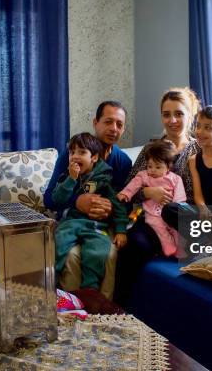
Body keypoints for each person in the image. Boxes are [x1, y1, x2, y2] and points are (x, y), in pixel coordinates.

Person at [114, 87, 212, 305]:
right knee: (134, 245)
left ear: (190, 117)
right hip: (152, 220)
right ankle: (119, 309)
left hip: (186, 218)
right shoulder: (152, 149)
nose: (172, 120)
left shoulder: (201, 145)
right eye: (166, 114)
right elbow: (129, 189)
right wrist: (147, 192)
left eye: (179, 114)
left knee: (180, 215)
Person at [44, 101, 132, 298]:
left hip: (100, 225)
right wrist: (77, 201)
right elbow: (49, 199)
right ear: (96, 123)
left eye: (119, 124)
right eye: (108, 122)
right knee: (71, 256)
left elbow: (125, 204)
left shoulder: (123, 162)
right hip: (71, 220)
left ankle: (99, 305)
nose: (113, 128)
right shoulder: (74, 153)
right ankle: (69, 303)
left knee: (108, 255)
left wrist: (110, 210)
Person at [117, 140, 186, 257]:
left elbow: (180, 197)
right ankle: (169, 248)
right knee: (161, 230)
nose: (152, 170)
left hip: (169, 212)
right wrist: (125, 194)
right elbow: (133, 185)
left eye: (158, 167)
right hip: (152, 214)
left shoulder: (175, 179)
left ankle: (182, 249)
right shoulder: (144, 175)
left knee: (175, 230)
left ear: (168, 167)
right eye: (149, 166)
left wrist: (174, 208)